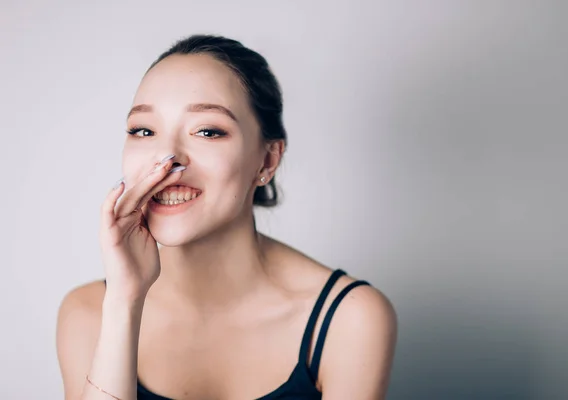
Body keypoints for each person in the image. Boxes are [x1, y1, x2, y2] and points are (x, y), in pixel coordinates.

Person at [56, 34, 397, 400]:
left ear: (267, 160)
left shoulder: (348, 319)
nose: (166, 158)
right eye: (144, 130)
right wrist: (124, 302)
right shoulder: (88, 313)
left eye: (207, 131)